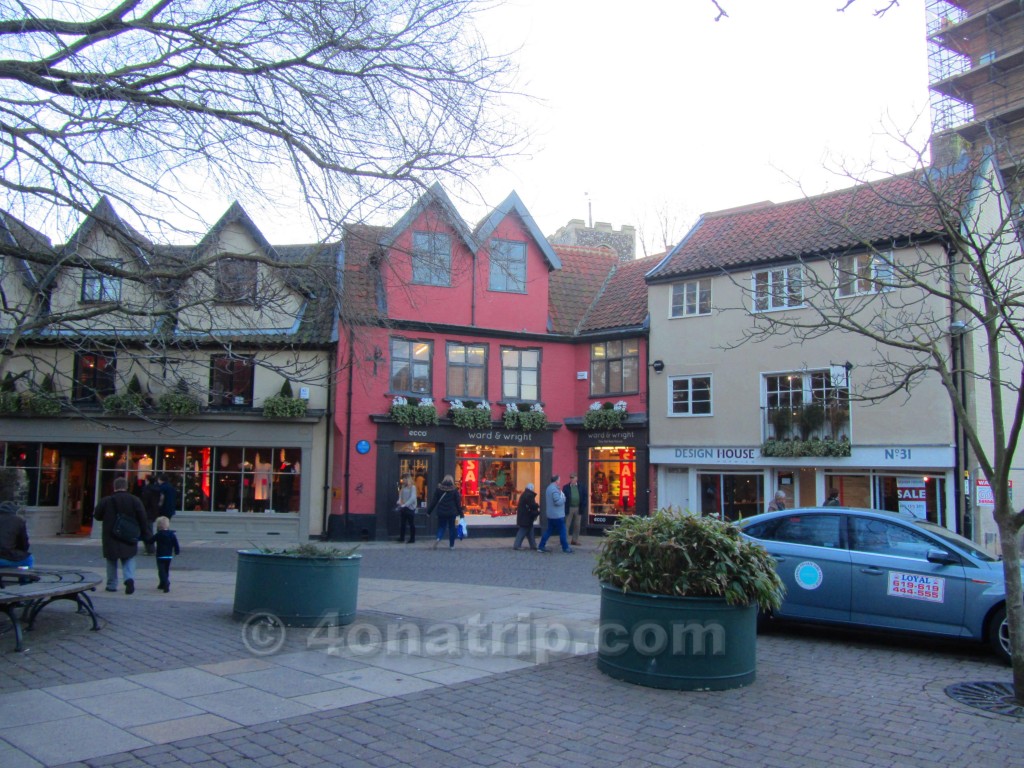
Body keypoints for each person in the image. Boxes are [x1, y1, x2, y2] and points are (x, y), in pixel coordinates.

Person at [94, 476, 152, 594]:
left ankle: (111, 584)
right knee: (129, 558)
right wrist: (146, 534)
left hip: (111, 534)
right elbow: (142, 518)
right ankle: (129, 578)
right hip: (129, 534)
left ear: (114, 487)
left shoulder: (107, 500)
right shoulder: (135, 500)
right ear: (126, 487)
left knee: (111, 560)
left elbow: (97, 515)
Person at [538, 475, 572, 553]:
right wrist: (563, 499)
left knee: (549, 530)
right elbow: (557, 501)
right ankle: (565, 547)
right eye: (559, 480)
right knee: (563, 531)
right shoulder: (554, 489)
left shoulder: (549, 488)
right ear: (556, 480)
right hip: (557, 515)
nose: (560, 481)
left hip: (551, 514)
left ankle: (541, 546)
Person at [428, 474, 463, 549]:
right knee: (452, 528)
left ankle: (438, 538)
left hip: (441, 512)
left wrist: (428, 512)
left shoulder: (439, 489)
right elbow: (458, 503)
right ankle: (451, 545)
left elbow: (434, 502)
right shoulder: (454, 490)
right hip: (452, 513)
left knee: (441, 527)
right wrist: (461, 514)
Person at [152, 516, 180, 592]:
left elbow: (150, 540)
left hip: (160, 555)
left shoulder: (158, 534)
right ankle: (162, 583)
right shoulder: (171, 534)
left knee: (161, 570)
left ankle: (165, 582)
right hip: (169, 555)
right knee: (166, 570)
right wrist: (177, 551)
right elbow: (175, 543)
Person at [0, 500, 33, 568]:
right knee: (29, 559)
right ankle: (24, 577)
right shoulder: (18, 521)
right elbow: (24, 543)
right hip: (6, 556)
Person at [513, 483, 540, 550]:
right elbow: (532, 505)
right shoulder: (529, 495)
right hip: (526, 516)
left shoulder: (524, 494)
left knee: (530, 530)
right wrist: (537, 505)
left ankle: (533, 545)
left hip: (525, 516)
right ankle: (517, 545)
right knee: (523, 530)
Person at [562, 472, 587, 547]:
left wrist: (583, 505)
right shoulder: (566, 487)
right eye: (571, 478)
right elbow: (563, 497)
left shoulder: (581, 486)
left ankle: (574, 540)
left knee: (577, 525)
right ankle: (564, 540)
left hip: (578, 508)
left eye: (573, 477)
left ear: (576, 478)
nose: (572, 479)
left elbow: (584, 496)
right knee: (567, 524)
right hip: (569, 507)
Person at [140, 474, 162, 554]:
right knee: (149, 529)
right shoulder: (157, 489)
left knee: (147, 531)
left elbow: (145, 502)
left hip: (147, 511)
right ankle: (150, 548)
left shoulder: (147, 489)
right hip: (154, 511)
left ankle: (150, 548)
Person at [397, 474, 418, 543]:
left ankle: (412, 538)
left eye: (404, 479)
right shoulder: (403, 487)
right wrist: (399, 502)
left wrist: (405, 504)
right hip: (404, 507)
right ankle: (402, 537)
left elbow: (413, 498)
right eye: (403, 479)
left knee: (411, 523)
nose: (403, 481)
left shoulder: (413, 487)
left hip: (410, 508)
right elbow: (400, 496)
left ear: (408, 479)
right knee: (403, 523)